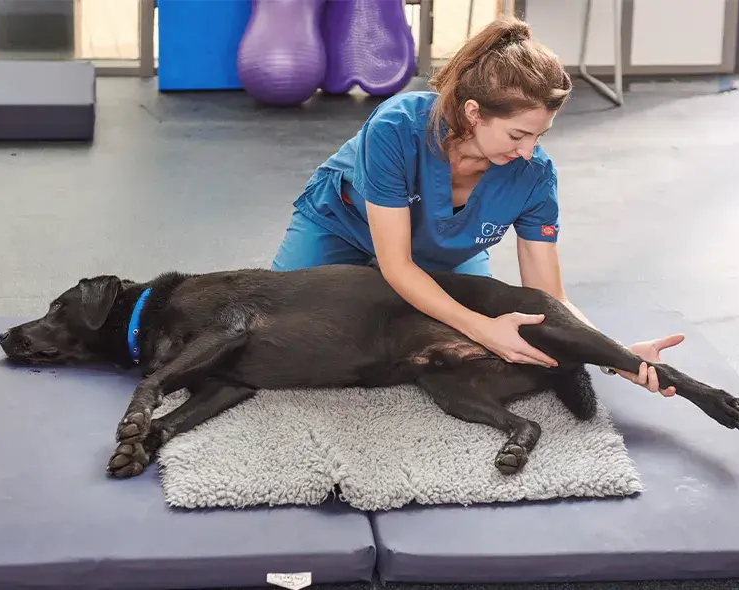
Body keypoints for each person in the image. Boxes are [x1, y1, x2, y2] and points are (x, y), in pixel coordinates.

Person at [270, 16, 682, 396]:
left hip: (440, 252)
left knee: (467, 346)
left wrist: (617, 357)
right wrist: (482, 328)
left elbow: (548, 297)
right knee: (282, 328)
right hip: (343, 224)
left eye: (538, 136)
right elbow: (397, 266)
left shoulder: (535, 175)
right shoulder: (396, 128)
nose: (528, 151)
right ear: (473, 114)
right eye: (517, 135)